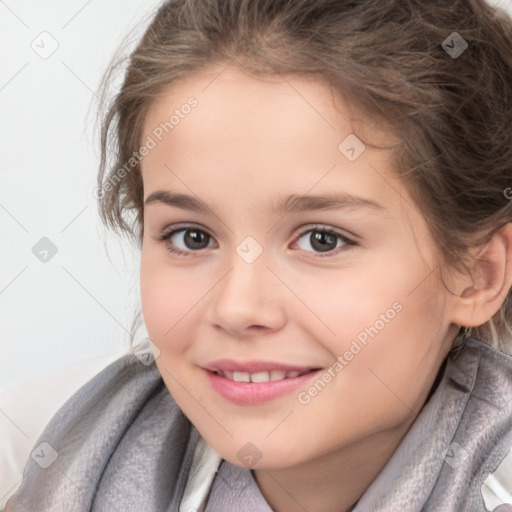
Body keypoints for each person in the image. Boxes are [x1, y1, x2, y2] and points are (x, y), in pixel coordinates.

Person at [6, 0, 512, 510]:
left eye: (322, 239)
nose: (237, 308)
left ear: (478, 275)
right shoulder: (33, 458)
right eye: (191, 237)